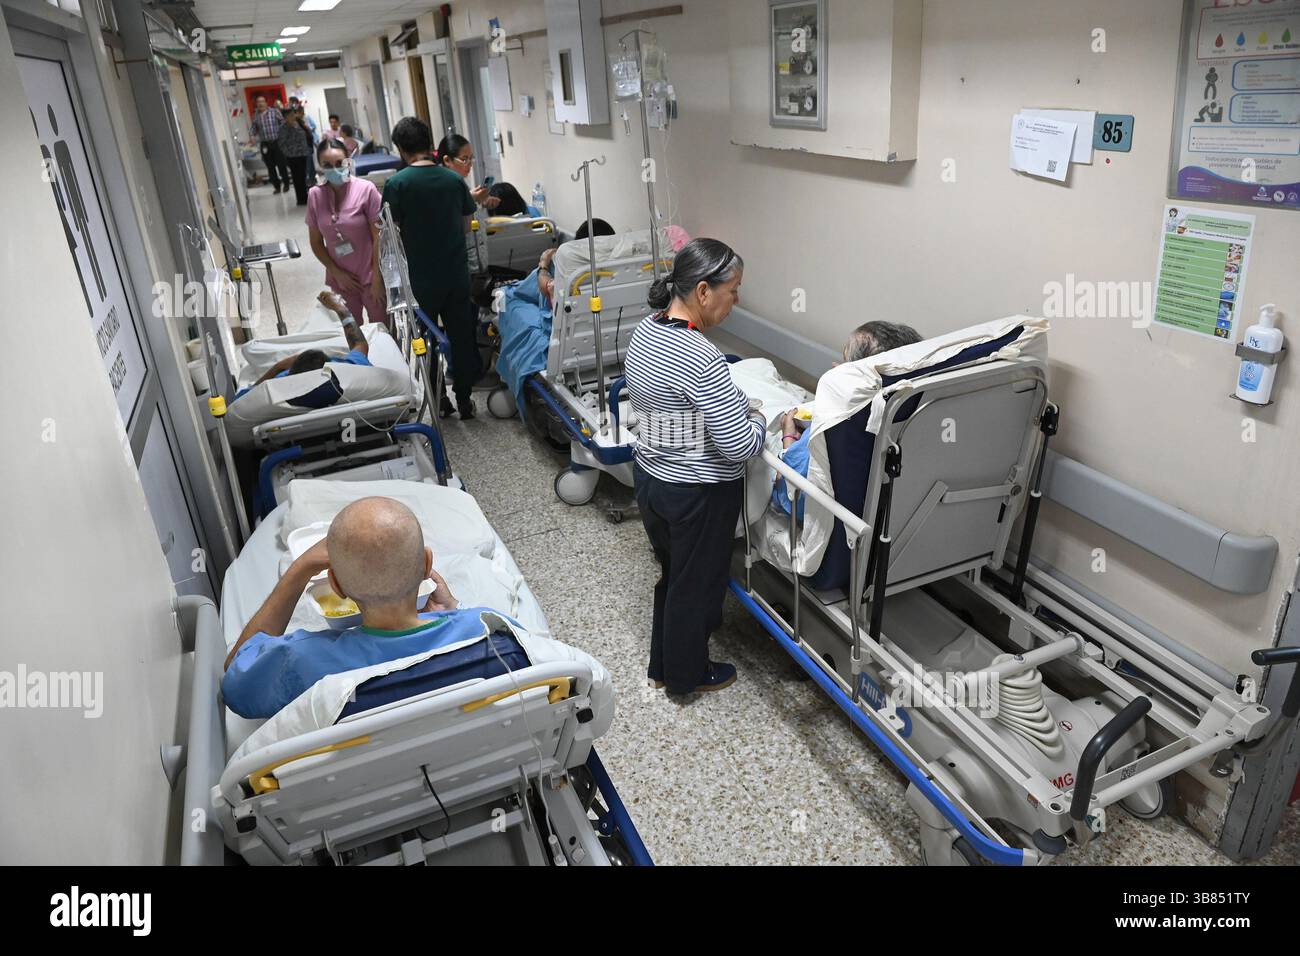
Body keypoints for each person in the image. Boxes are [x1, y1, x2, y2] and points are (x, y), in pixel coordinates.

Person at [221, 496, 612, 723]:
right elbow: (584, 679)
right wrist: (454, 612)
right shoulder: (492, 633)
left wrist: (297, 571)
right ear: (427, 565)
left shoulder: (302, 662)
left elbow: (235, 680)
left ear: (336, 586)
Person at [623, 238, 763, 696]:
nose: (736, 301)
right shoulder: (701, 355)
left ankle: (663, 665)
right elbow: (738, 446)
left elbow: (676, 407)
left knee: (674, 576)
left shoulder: (647, 330)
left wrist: (733, 402)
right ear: (703, 291)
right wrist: (764, 423)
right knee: (697, 587)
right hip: (695, 493)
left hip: (651, 477)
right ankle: (687, 676)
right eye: (734, 290)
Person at [771, 321, 922, 518]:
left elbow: (789, 496)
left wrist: (788, 435)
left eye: (847, 365)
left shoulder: (841, 424)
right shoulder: (921, 411)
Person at [383, 117, 481, 419]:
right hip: (455, 273)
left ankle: (439, 400)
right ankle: (465, 400)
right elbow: (467, 226)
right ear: (429, 143)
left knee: (425, 339)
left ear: (400, 149)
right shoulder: (454, 181)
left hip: (420, 280)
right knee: (462, 337)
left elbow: (390, 236)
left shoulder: (396, 185)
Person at [232, 291, 372, 401]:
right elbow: (359, 343)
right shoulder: (353, 369)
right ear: (331, 366)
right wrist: (340, 308)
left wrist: (279, 366)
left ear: (290, 373)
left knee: (251, 348)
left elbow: (244, 398)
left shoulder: (279, 386)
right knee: (326, 321)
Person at [306, 138, 385, 324]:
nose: (335, 169)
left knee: (383, 332)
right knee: (351, 335)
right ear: (320, 166)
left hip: (371, 275)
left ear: (348, 161)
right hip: (341, 280)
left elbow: (378, 236)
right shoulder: (315, 196)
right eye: (327, 165)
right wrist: (337, 272)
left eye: (339, 163)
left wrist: (377, 279)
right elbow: (316, 243)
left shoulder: (366, 190)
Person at [436, 133, 500, 213]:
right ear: (447, 160)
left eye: (471, 158)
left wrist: (482, 201)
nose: (470, 165)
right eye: (464, 159)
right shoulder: (438, 184)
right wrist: (471, 198)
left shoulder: (457, 181)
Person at [250, 94, 289, 194]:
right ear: (256, 104)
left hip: (277, 142)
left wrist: (283, 135)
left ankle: (286, 184)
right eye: (258, 102)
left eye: (262, 101)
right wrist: (252, 136)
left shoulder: (274, 111)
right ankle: (277, 187)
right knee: (270, 167)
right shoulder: (256, 115)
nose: (260, 104)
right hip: (265, 144)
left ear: (266, 103)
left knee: (281, 165)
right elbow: (253, 128)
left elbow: (283, 122)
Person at [277, 109, 312, 205]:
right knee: (297, 178)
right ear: (285, 117)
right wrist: (287, 153)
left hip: (303, 154)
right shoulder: (283, 128)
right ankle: (301, 199)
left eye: (293, 114)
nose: (293, 116)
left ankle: (305, 196)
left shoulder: (299, 124)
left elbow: (306, 135)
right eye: (290, 115)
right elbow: (281, 143)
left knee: (303, 176)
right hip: (292, 156)